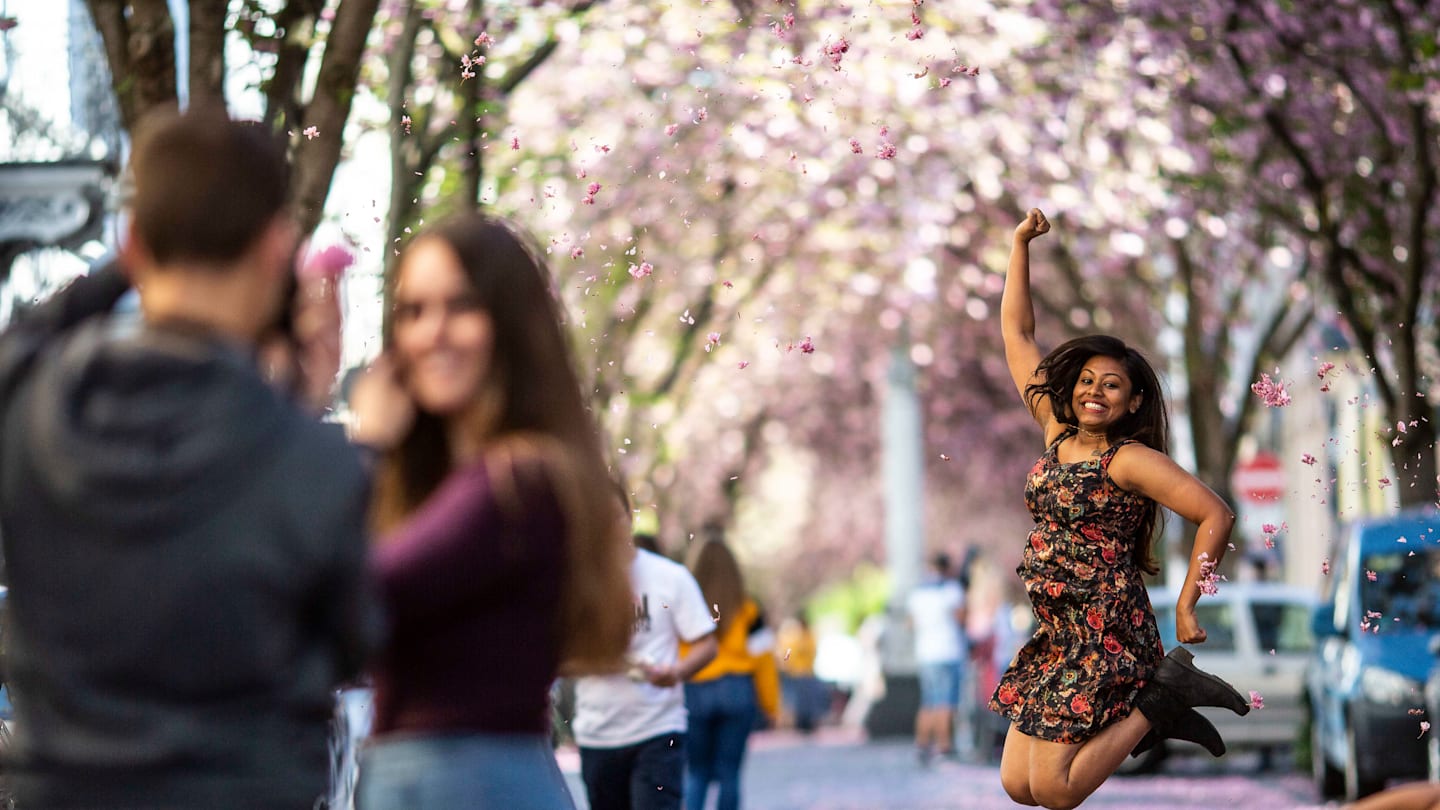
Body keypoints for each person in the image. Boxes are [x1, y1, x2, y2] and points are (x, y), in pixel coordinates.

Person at [0, 110, 378, 809]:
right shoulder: (314, 465)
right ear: (277, 249)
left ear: (134, 242)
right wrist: (301, 404)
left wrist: (126, 267)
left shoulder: (29, 409)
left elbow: (21, 337)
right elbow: (357, 641)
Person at [347, 212, 633, 810]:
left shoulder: (518, 480)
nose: (434, 333)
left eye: (462, 306)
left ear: (510, 322)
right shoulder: (440, 487)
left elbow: (354, 591)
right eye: (414, 311)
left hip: (470, 784)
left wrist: (364, 450)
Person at [988, 208, 1251, 810]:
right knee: (1017, 786)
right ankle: (1161, 703)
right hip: (1059, 629)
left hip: (1105, 630)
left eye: (1111, 385)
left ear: (1132, 402)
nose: (1093, 391)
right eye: (1085, 379)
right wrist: (1019, 247)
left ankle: (1164, 696)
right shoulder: (1055, 435)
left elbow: (1216, 513)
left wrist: (1187, 602)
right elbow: (1018, 335)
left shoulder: (1127, 460)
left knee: (1054, 791)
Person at [572, 488, 719, 810]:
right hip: (597, 734)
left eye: (615, 518)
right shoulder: (576, 583)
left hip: (659, 729)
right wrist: (596, 661)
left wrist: (676, 672)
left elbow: (707, 645)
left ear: (630, 518)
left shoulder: (670, 577)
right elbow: (557, 658)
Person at [682, 535, 780, 810]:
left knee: (697, 772)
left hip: (696, 689)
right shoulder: (749, 610)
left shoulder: (687, 608)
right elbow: (764, 662)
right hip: (737, 691)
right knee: (730, 772)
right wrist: (771, 706)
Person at [907, 551, 967, 764]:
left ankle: (922, 745)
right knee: (946, 702)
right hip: (948, 652)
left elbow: (910, 624)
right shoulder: (951, 590)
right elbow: (962, 619)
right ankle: (944, 746)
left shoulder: (918, 594)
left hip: (926, 653)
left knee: (928, 702)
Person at [775, 613, 825, 733]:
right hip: (796, 673)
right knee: (797, 700)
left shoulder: (808, 636)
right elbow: (787, 652)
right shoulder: (794, 636)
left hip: (805, 672)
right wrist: (786, 663)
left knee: (805, 700)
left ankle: (807, 722)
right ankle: (798, 722)